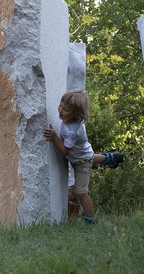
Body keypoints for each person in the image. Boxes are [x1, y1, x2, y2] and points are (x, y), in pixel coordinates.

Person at [44, 89, 99, 224]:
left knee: (80, 192)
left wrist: (54, 137)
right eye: (61, 105)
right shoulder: (69, 119)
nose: (61, 111)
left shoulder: (72, 131)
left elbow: (65, 151)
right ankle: (109, 158)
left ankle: (91, 220)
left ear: (76, 114)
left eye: (66, 110)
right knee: (90, 158)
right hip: (82, 155)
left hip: (81, 161)